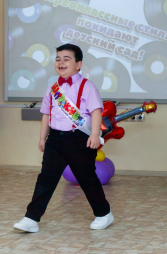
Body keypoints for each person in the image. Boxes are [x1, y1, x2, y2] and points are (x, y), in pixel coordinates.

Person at [13, 44, 113, 233]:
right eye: (58, 59)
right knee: (46, 178)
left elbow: (96, 111)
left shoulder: (87, 86)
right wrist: (42, 138)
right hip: (55, 140)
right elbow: (46, 114)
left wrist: (94, 134)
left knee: (87, 179)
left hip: (80, 139)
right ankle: (31, 218)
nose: (61, 62)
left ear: (78, 64)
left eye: (67, 59)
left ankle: (104, 214)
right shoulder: (53, 88)